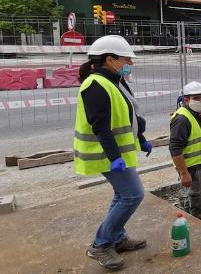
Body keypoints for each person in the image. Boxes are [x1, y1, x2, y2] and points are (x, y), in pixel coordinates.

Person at [74, 35, 152, 270]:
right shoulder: (95, 85)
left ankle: (117, 238)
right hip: (105, 154)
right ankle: (100, 244)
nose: (131, 63)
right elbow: (100, 126)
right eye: (127, 58)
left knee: (122, 195)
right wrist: (114, 157)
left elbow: (128, 116)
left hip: (119, 153)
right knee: (132, 195)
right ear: (110, 59)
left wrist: (141, 139)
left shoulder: (115, 80)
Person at [169, 81, 201, 218]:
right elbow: (175, 148)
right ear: (186, 99)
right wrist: (184, 173)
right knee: (197, 199)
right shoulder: (182, 119)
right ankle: (198, 226)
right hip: (191, 167)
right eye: (197, 98)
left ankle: (186, 219)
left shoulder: (200, 114)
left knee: (193, 196)